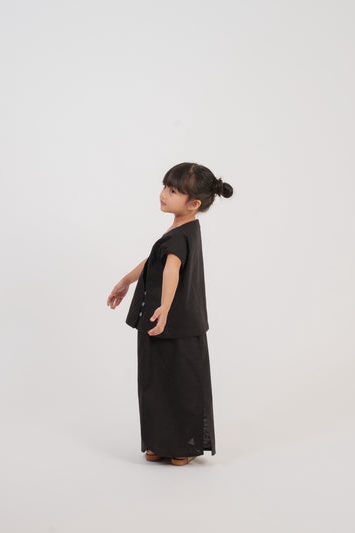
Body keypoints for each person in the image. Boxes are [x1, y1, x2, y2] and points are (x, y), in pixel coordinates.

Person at [107, 162, 233, 466]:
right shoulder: (183, 229)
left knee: (180, 383)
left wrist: (164, 307)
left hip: (170, 323)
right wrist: (126, 280)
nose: (164, 194)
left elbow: (171, 270)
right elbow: (156, 260)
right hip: (162, 323)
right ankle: (160, 443)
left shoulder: (181, 235)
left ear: (193, 204)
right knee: (156, 383)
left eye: (173, 191)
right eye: (165, 187)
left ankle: (183, 446)